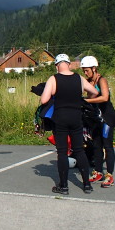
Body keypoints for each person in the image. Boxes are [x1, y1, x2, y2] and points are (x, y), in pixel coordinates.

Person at [40, 54, 98, 195]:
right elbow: (95, 92)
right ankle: (86, 185)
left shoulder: (53, 79)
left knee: (62, 152)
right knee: (79, 150)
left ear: (57, 65)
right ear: (69, 64)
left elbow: (44, 100)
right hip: (76, 117)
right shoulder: (79, 78)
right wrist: (83, 99)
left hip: (60, 118)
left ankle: (64, 186)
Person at [81, 56, 115, 188]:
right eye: (83, 71)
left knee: (107, 145)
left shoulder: (102, 80)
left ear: (94, 68)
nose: (85, 73)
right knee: (96, 144)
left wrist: (86, 101)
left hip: (107, 117)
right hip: (95, 117)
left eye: (87, 70)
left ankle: (109, 175)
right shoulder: (88, 81)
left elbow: (104, 97)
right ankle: (98, 171)